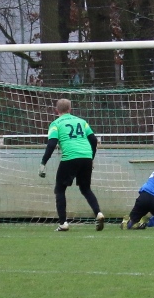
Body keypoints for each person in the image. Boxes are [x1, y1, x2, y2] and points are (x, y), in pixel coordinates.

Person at [38, 98, 105, 232]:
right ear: (70, 110)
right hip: (86, 156)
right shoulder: (82, 122)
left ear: (56, 110)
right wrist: (91, 158)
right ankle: (98, 213)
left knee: (60, 189)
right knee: (86, 188)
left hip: (70, 157)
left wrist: (43, 162)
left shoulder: (55, 124)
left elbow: (51, 144)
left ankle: (63, 223)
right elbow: (93, 139)